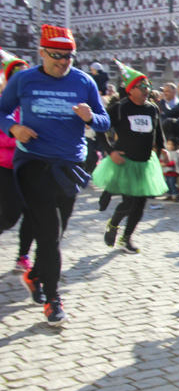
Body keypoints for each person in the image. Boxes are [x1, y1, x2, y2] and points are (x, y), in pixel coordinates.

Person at [0, 24, 110, 326]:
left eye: (69, 56)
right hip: (34, 163)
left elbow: (104, 121)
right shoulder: (23, 80)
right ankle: (53, 299)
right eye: (56, 55)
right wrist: (13, 128)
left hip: (70, 167)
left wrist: (91, 117)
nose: (63, 61)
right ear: (42, 52)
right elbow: (1, 110)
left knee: (56, 235)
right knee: (49, 234)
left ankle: (35, 274)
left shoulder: (84, 81)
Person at [92, 61, 168, 254]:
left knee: (140, 206)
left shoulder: (152, 108)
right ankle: (114, 224)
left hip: (144, 163)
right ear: (130, 89)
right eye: (141, 87)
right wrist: (110, 151)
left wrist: (163, 148)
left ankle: (126, 238)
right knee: (129, 203)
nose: (146, 90)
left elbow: (157, 131)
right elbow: (100, 128)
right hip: (125, 162)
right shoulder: (120, 108)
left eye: (147, 86)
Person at [0, 50, 34, 273]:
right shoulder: (3, 105)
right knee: (11, 215)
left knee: (32, 212)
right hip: (6, 167)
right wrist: (18, 135)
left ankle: (23, 256)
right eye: (17, 75)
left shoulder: (34, 104)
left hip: (31, 166)